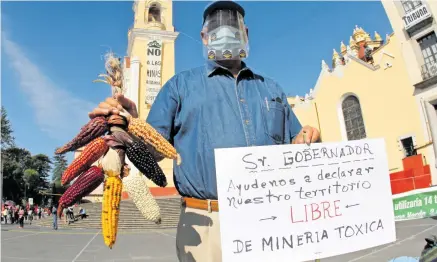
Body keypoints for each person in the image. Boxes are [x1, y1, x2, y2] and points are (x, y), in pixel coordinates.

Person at [88, 1, 320, 261]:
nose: (226, 32)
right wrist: (128, 126)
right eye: (217, 27)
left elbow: (294, 147)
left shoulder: (272, 90)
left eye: (233, 26)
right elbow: (151, 152)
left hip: (272, 219)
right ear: (204, 37)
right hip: (208, 224)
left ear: (246, 34)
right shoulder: (179, 87)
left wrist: (306, 138)